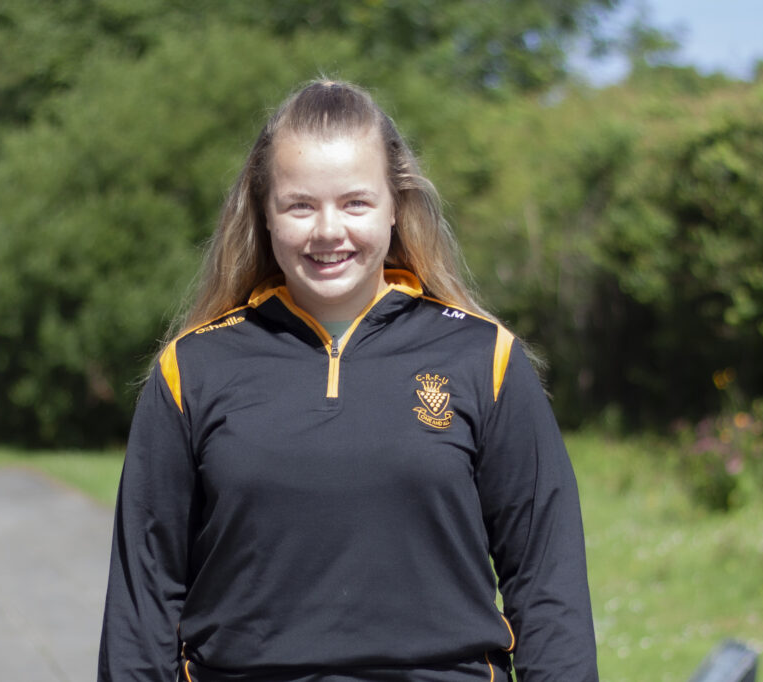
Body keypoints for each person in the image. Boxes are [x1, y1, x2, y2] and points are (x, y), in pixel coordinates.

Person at [98, 80, 597, 682]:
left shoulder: (484, 358)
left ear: (395, 206)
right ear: (264, 212)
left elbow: (547, 586)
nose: (328, 231)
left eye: (355, 203)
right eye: (300, 205)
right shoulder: (192, 370)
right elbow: (142, 602)